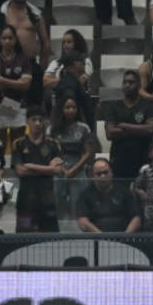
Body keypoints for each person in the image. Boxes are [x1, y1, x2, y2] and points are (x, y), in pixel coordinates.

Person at [13, 106, 61, 233]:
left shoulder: (53, 143)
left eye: (40, 120)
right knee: (23, 237)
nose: (37, 123)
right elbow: (20, 172)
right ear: (27, 121)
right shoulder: (18, 144)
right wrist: (47, 169)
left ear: (45, 121)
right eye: (34, 120)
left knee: (50, 238)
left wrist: (30, 166)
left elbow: (57, 170)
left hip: (47, 199)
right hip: (25, 199)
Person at [48, 93, 94, 223]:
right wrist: (63, 170)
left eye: (74, 107)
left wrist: (73, 170)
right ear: (61, 109)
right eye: (67, 107)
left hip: (78, 168)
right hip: (58, 169)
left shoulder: (84, 127)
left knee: (78, 203)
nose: (71, 110)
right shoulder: (52, 128)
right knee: (58, 202)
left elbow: (88, 153)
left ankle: (79, 230)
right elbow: (49, 151)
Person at [103, 70, 153, 180]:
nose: (127, 85)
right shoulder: (113, 107)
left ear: (139, 85)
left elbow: (150, 129)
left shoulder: (149, 106)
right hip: (119, 161)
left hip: (143, 160)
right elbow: (110, 133)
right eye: (125, 82)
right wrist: (139, 131)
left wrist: (124, 126)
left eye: (131, 82)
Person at [76, 158, 142, 233]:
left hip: (123, 237)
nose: (103, 176)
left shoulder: (125, 192)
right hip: (96, 238)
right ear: (93, 175)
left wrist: (125, 236)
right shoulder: (85, 195)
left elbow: (136, 219)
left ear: (111, 173)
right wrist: (102, 237)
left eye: (105, 172)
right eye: (98, 173)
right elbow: (83, 221)